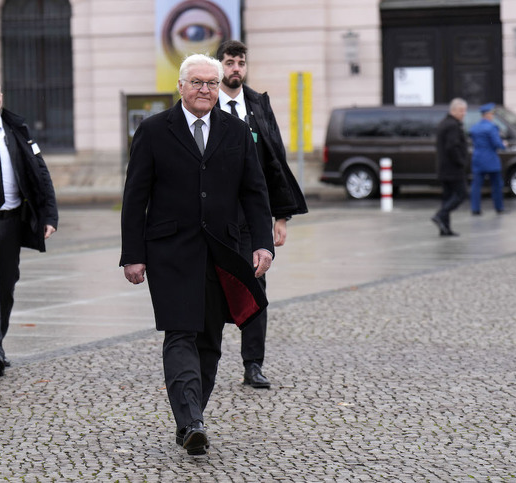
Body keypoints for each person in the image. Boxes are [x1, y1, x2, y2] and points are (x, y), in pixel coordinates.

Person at [120, 54, 274, 456]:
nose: (205, 89)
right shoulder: (153, 130)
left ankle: (192, 418)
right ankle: (191, 421)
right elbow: (135, 196)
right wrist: (132, 255)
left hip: (222, 250)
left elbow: (255, 193)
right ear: (181, 86)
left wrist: (262, 243)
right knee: (180, 331)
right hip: (170, 251)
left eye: (212, 82)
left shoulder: (237, 131)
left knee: (209, 337)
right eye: (198, 82)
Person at [215, 40, 307, 389]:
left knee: (256, 285)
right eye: (229, 62)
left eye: (240, 62)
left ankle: (253, 364)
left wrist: (280, 217)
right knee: (211, 288)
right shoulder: (206, 104)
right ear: (219, 65)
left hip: (252, 216)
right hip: (215, 215)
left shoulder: (257, 104)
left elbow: (275, 160)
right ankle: (203, 357)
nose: (235, 68)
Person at [0, 75, 58, 377]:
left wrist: (49, 216)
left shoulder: (18, 132)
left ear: (1, 98)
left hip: (13, 222)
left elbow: (40, 173)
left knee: (6, 286)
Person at [432, 98, 468, 236]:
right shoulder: (453, 125)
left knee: (447, 197)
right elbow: (452, 146)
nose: (463, 113)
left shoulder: (444, 123)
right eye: (461, 110)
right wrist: (461, 162)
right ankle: (440, 215)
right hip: (453, 168)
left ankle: (445, 228)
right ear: (453, 111)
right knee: (461, 194)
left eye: (464, 110)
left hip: (444, 168)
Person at [469, 102, 506, 215]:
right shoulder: (491, 127)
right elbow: (497, 143)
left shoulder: (474, 128)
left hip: (478, 159)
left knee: (476, 186)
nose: (492, 116)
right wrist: (504, 144)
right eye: (492, 114)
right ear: (488, 114)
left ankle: (475, 209)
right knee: (496, 185)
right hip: (491, 160)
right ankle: (498, 208)